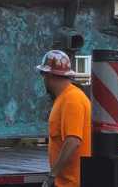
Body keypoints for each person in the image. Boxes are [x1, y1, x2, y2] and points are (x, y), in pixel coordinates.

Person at [36, 50, 91, 187]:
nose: (43, 80)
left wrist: (52, 175)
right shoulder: (65, 98)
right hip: (67, 181)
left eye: (44, 76)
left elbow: (73, 141)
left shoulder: (72, 99)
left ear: (49, 76)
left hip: (72, 183)